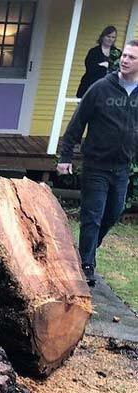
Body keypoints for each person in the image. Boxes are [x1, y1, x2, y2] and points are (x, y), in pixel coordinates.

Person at [58, 40, 138, 287]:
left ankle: (88, 250)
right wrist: (65, 157)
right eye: (124, 55)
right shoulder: (101, 88)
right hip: (96, 165)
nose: (125, 60)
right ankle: (87, 264)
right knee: (92, 216)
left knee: (113, 213)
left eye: (131, 57)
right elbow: (77, 123)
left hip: (122, 167)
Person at [76, 26, 121, 98]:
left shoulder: (117, 53)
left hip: (108, 90)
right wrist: (104, 66)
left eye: (113, 37)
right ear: (102, 37)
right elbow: (90, 68)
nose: (110, 39)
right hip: (90, 86)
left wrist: (106, 65)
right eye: (108, 36)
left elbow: (119, 70)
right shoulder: (94, 51)